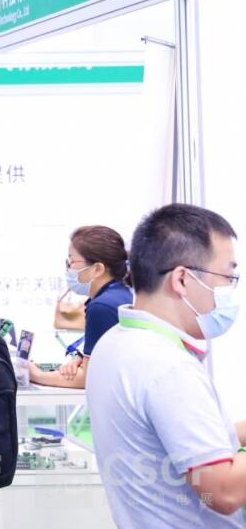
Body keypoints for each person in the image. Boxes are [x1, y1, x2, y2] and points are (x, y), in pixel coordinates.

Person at [88, 204, 246, 527]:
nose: (230, 291)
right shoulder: (168, 367)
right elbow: (222, 491)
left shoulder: (116, 342)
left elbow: (176, 440)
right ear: (182, 279)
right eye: (228, 277)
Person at [30, 226, 131, 389]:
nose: (68, 269)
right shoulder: (120, 295)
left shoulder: (102, 307)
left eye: (71, 262)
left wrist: (35, 374)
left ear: (97, 269)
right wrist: (82, 359)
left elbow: (89, 378)